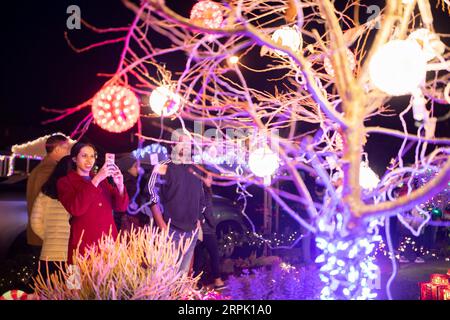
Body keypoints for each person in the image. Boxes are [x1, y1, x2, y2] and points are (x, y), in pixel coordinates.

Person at [57, 142, 129, 264]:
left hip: (108, 243)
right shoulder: (65, 182)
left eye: (92, 156)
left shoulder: (102, 180)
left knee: (110, 282)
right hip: (84, 244)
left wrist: (120, 185)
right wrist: (96, 179)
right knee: (82, 281)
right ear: (74, 158)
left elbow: (121, 207)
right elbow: (76, 209)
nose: (89, 160)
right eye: (84, 156)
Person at [148, 136, 205, 275]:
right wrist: (162, 226)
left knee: (183, 275)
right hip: (170, 231)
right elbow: (152, 196)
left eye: (188, 142)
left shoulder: (196, 168)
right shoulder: (163, 166)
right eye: (182, 141)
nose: (185, 145)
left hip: (191, 231)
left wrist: (199, 220)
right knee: (167, 276)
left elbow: (201, 197)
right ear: (173, 144)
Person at [26, 134, 71, 252]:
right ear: (57, 149)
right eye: (66, 148)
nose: (69, 152)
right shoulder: (50, 171)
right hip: (47, 236)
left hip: (40, 234)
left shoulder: (39, 169)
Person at [30, 155, 72, 278]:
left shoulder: (46, 192)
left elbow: (35, 221)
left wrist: (49, 236)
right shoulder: (77, 191)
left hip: (49, 253)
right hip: (72, 253)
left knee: (47, 290)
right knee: (74, 291)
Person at [192, 172, 225, 289]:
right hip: (207, 230)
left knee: (199, 256)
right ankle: (218, 281)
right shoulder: (204, 193)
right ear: (203, 178)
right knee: (214, 254)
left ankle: (194, 283)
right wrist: (213, 223)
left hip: (200, 229)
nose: (211, 180)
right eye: (209, 178)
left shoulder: (198, 191)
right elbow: (206, 211)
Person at [115, 154, 149, 232]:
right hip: (128, 222)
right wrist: (144, 218)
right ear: (127, 168)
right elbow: (131, 208)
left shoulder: (121, 181)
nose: (138, 169)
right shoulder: (130, 183)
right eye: (135, 166)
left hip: (120, 222)